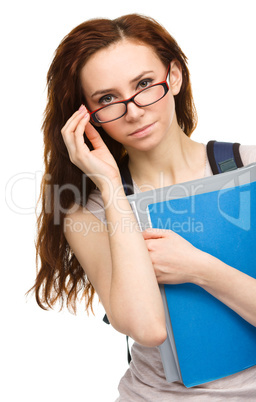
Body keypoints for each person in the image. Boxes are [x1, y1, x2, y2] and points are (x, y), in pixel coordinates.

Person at [30, 13, 256, 400]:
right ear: (89, 117)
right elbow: (147, 327)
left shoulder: (248, 169)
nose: (133, 110)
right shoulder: (90, 210)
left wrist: (198, 268)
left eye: (145, 84)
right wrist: (112, 186)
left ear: (176, 77)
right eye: (107, 99)